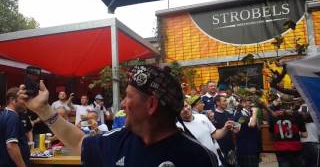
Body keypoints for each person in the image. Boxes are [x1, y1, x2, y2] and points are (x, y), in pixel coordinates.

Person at [19, 65, 219, 167]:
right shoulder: (117, 141)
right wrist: (44, 110)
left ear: (151, 105)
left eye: (128, 97)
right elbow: (80, 142)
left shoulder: (199, 158)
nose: (123, 104)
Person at [177, 100, 234, 167]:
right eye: (181, 109)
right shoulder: (178, 128)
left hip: (217, 162)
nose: (185, 109)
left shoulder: (201, 117)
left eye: (186, 106)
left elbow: (215, 135)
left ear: (190, 105)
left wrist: (225, 128)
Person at [268, 95, 307, 167]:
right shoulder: (297, 115)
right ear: (291, 103)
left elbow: (271, 134)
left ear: (280, 103)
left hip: (280, 148)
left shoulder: (274, 115)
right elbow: (305, 134)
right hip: (295, 148)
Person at [0, 87, 30, 167]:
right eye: (23, 99)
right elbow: (11, 146)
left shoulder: (5, 114)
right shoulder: (12, 117)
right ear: (12, 100)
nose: (26, 102)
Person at [233, 98, 261, 167]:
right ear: (242, 103)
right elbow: (251, 125)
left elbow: (257, 127)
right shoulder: (239, 114)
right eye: (249, 102)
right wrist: (255, 112)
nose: (252, 104)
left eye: (252, 102)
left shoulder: (250, 113)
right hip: (245, 148)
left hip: (253, 147)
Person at [213, 95, 236, 167]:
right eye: (224, 101)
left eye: (226, 100)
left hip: (230, 146)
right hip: (220, 148)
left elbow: (233, 128)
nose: (226, 103)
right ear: (217, 103)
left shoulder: (228, 113)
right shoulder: (213, 115)